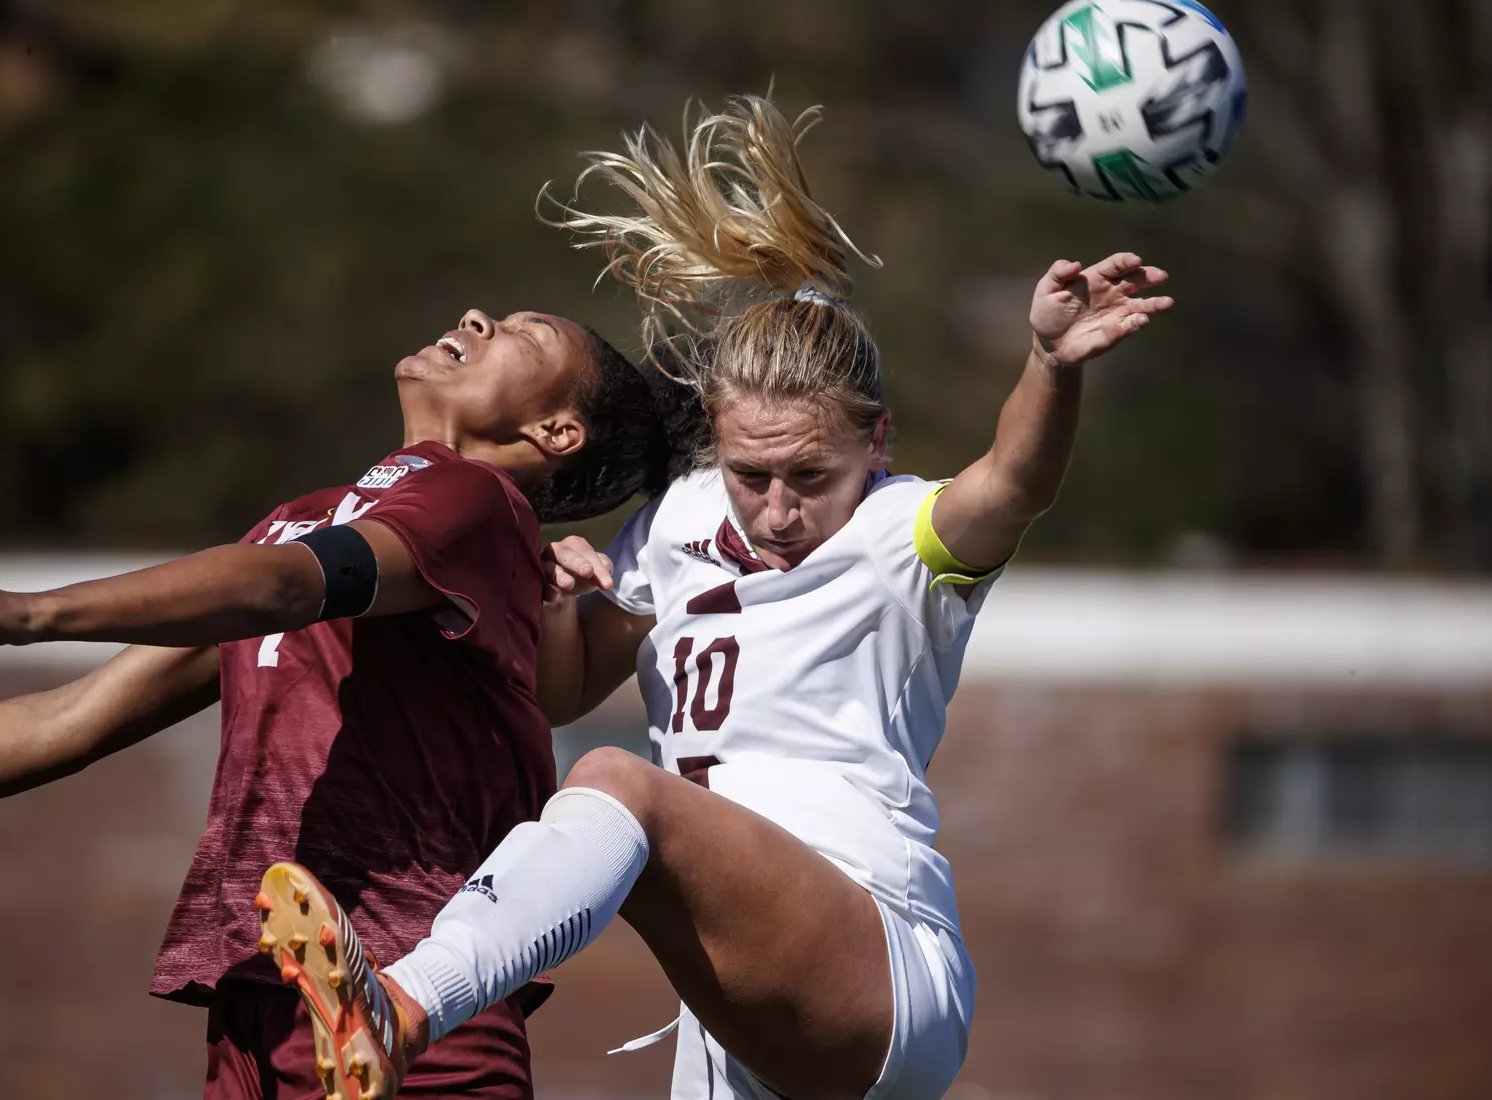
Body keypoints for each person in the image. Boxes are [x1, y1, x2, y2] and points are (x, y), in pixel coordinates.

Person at [258, 94, 1175, 1100]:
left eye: (810, 475)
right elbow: (562, 685)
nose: (779, 507)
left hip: (872, 953)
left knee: (622, 780)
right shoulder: (678, 519)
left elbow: (1014, 480)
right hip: (731, 1010)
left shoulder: (901, 532)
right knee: (623, 784)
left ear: (876, 444)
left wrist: (1049, 362)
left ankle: (402, 1004)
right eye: (752, 472)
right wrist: (560, 595)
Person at [0, 304, 696, 1100]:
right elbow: (70, 720)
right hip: (262, 997)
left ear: (555, 431)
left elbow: (289, 590)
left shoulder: (476, 505)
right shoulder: (304, 520)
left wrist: (33, 611)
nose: (477, 317)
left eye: (524, 334)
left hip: (401, 985)